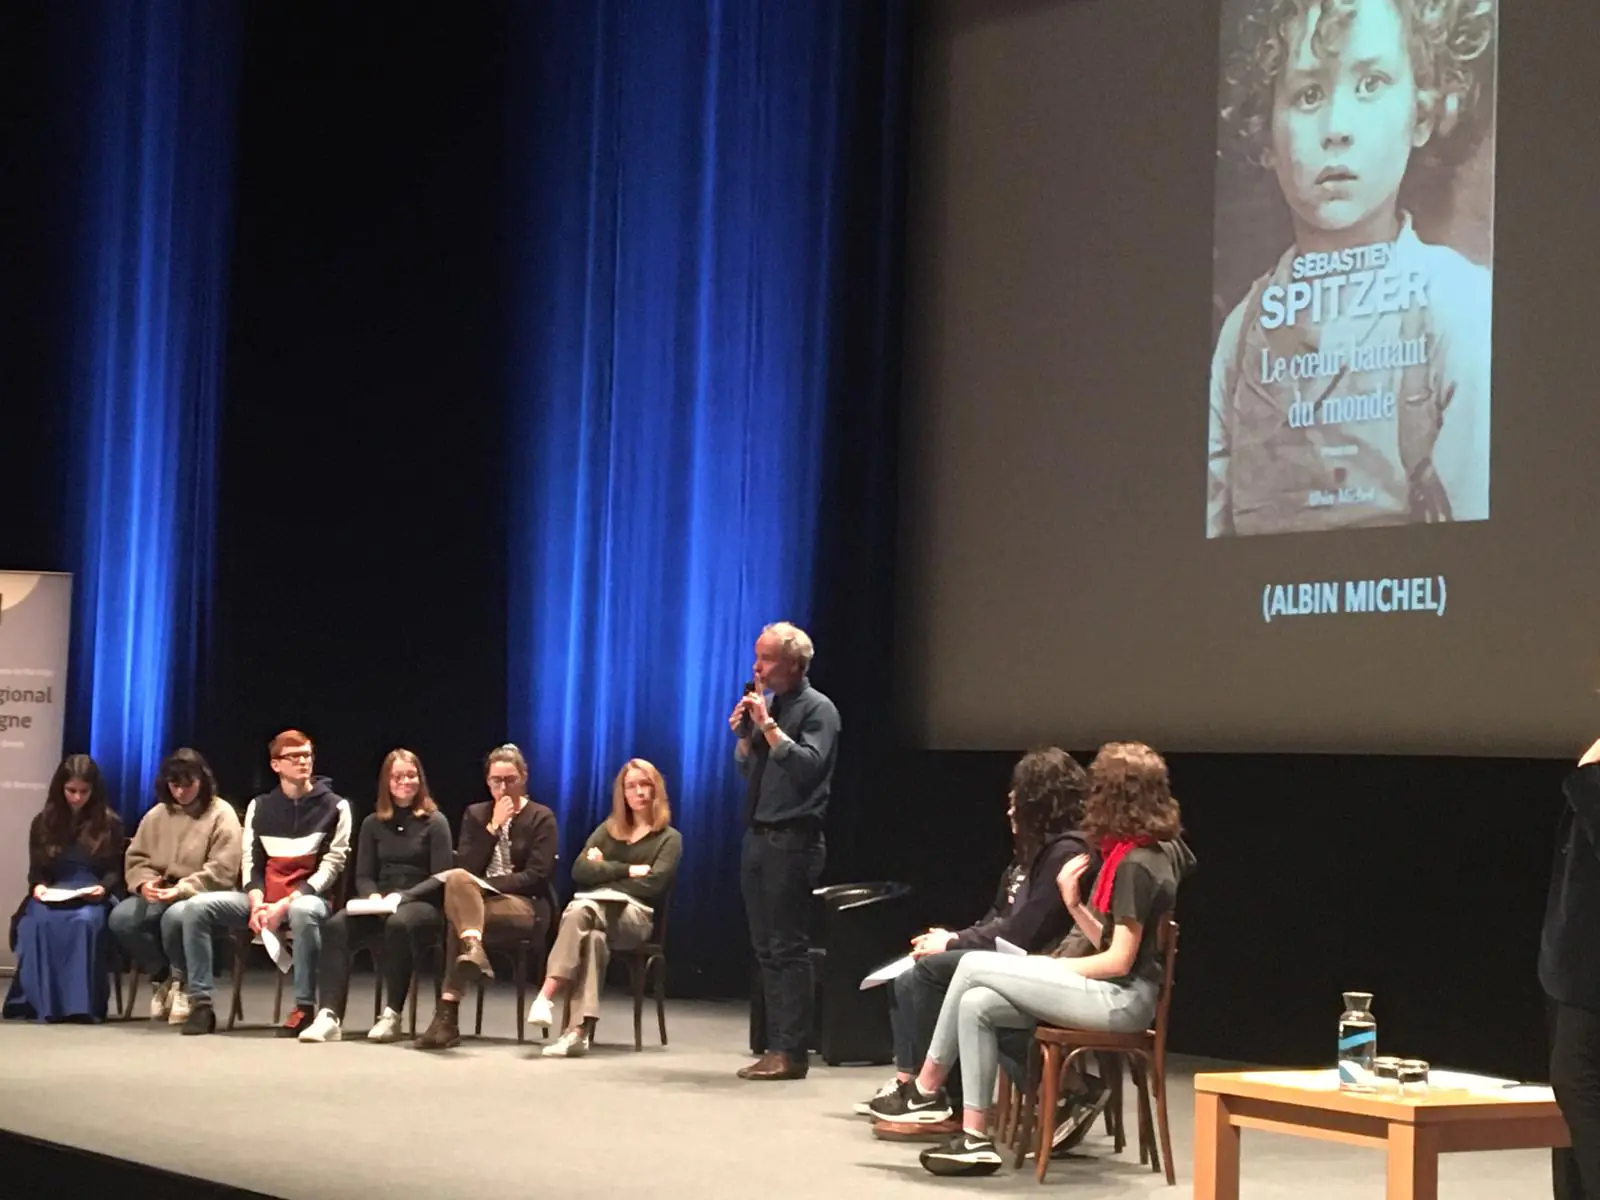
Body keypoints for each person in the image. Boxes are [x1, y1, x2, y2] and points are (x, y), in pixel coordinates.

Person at [1208, 0, 1496, 537]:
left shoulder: (1461, 309)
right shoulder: (1241, 338)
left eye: (1372, 83)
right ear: (1266, 135)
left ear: (1423, 114)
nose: (1337, 128)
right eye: (1309, 94)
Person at [898, 742, 1195, 1177]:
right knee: (977, 1003)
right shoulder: (1157, 849)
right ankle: (975, 1139)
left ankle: (925, 1089)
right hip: (1119, 989)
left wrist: (1046, 968)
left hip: (1123, 1000)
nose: (1090, 800)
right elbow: (1115, 938)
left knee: (972, 966)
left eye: (1099, 790)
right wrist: (1075, 905)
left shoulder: (1135, 863)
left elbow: (1118, 960)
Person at [865, 747, 1096, 1139]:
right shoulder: (1031, 856)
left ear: (1039, 800)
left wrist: (955, 942)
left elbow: (1026, 929)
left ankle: (941, 1100)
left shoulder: (1067, 852)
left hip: (1045, 964)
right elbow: (998, 917)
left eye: (1016, 800)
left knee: (935, 972)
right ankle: (918, 1086)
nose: (1010, 811)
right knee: (915, 971)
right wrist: (954, 939)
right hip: (1016, 955)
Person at [173, 730, 351, 1036]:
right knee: (196, 907)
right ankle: (201, 1004)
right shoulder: (261, 806)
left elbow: (331, 868)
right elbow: (251, 861)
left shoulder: (335, 807)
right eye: (293, 757)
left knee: (303, 912)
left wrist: (285, 903)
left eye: (307, 755)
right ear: (276, 765)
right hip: (263, 899)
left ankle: (304, 1007)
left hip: (308, 899)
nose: (303, 762)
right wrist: (256, 900)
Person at [729, 620, 841, 1081]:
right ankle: (776, 1044)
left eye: (767, 658)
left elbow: (808, 768)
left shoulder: (819, 710)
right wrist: (742, 735)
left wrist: (769, 727)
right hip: (758, 836)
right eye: (757, 656)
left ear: (795, 664)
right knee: (764, 948)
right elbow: (750, 772)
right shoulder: (768, 707)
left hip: (793, 840)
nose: (757, 666)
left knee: (787, 947)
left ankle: (792, 1051)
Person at [528, 757, 683, 1058]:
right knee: (591, 937)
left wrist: (606, 873)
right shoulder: (608, 829)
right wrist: (629, 870)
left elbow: (652, 886)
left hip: (635, 919)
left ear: (656, 790)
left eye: (645, 785)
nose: (638, 792)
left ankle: (546, 994)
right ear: (622, 793)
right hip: (596, 916)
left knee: (579, 910)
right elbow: (579, 871)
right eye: (631, 786)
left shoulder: (669, 838)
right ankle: (577, 1032)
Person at [298, 748, 452, 1044]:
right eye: (397, 777)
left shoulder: (435, 822)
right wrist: (371, 897)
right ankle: (329, 1015)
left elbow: (442, 876)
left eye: (410, 775)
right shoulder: (372, 823)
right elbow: (364, 874)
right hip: (379, 902)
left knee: (398, 924)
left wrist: (402, 897)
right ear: (386, 782)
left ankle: (391, 1014)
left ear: (420, 779)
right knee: (336, 925)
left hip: (421, 904)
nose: (405, 781)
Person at [416, 744, 558, 1050]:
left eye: (510, 780)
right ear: (487, 781)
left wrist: (488, 885)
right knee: (457, 884)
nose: (503, 787)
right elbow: (465, 867)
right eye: (496, 780)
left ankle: (446, 1017)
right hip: (479, 903)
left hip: (526, 906)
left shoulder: (541, 817)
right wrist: (492, 826)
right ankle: (473, 950)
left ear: (524, 777)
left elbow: (536, 875)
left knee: (461, 915)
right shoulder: (477, 814)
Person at [107, 748, 242, 1023]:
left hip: (201, 894)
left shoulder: (221, 813)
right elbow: (137, 857)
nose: (181, 792)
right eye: (174, 785)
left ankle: (183, 984)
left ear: (202, 780)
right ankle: (162, 977)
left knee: (174, 916)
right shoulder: (158, 814)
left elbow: (222, 869)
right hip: (159, 891)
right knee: (121, 918)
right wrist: (144, 884)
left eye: (188, 784)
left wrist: (181, 889)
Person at [4, 754, 126, 1022]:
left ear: (94, 791)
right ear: (60, 788)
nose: (77, 798)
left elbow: (114, 872)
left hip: (93, 894)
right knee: (38, 923)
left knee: (84, 923)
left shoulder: (110, 823)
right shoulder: (43, 822)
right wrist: (38, 887)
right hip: (54, 890)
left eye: (84, 792)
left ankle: (79, 1005)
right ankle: (42, 1003)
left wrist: (102, 889)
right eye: (71, 791)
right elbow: (37, 870)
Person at [1540, 734, 1600, 1199]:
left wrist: (1589, 776)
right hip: (1574, 966)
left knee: (1577, 1081)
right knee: (1572, 1092)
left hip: (1591, 974)